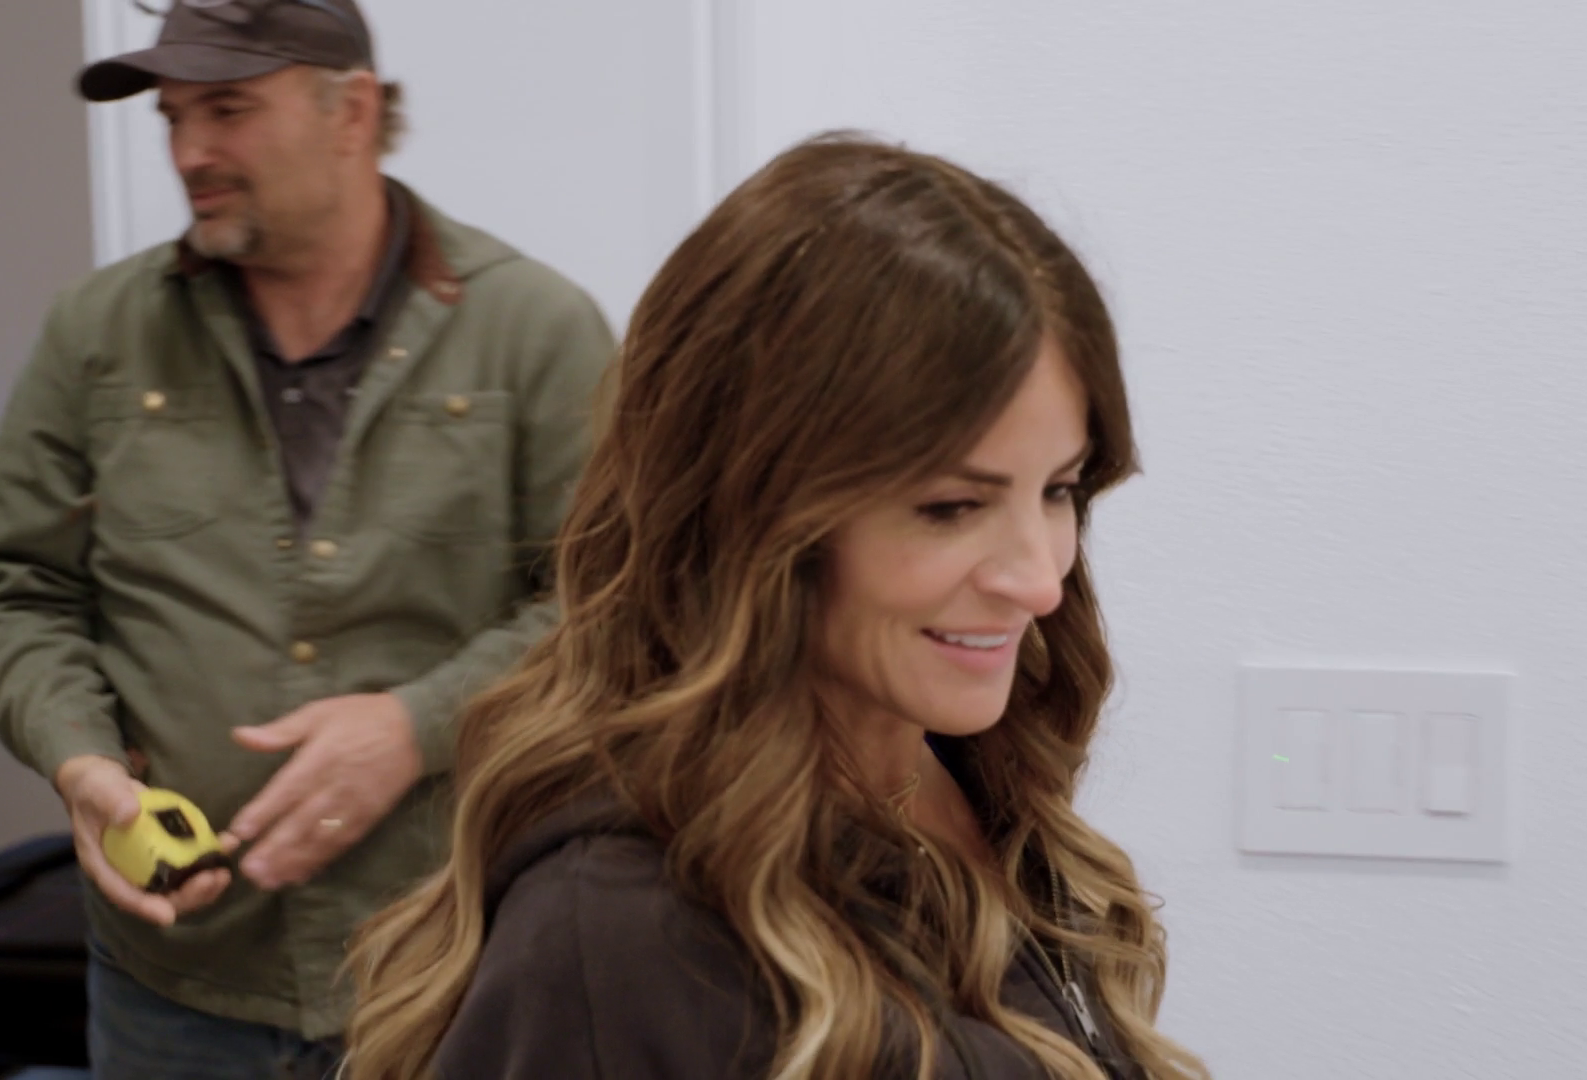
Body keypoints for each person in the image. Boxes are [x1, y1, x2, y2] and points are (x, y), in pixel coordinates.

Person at [343, 134, 1207, 1080]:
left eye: (1059, 490)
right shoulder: (619, 936)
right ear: (754, 511)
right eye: (952, 507)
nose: (1040, 581)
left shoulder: (967, 775)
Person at [0, 1, 613, 1076]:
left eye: (228, 109)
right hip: (172, 983)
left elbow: (612, 610)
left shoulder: (534, 331)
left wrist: (415, 728)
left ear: (351, 112)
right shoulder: (97, 331)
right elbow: (15, 592)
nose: (189, 153)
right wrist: (79, 761)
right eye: (172, 117)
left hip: (444, 965)